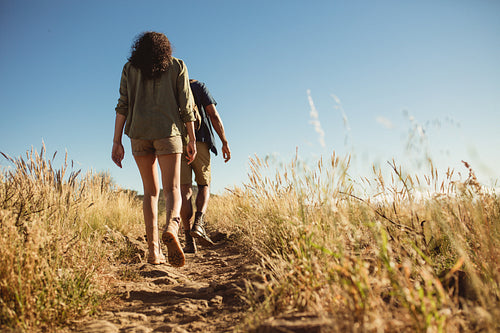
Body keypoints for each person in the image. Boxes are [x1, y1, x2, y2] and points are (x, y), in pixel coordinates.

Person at [111, 31, 197, 268]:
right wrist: (191, 138)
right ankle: (172, 227)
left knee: (150, 192)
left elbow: (122, 105)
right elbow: (186, 105)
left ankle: (153, 251)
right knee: (172, 188)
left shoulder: (130, 68)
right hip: (168, 132)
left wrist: (116, 141)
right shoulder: (177, 66)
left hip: (138, 133)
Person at [180, 79, 231, 253]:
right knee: (204, 185)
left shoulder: (171, 86)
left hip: (177, 143)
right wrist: (224, 141)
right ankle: (198, 224)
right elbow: (213, 114)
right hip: (200, 141)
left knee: (184, 190)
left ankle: (188, 242)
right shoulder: (197, 86)